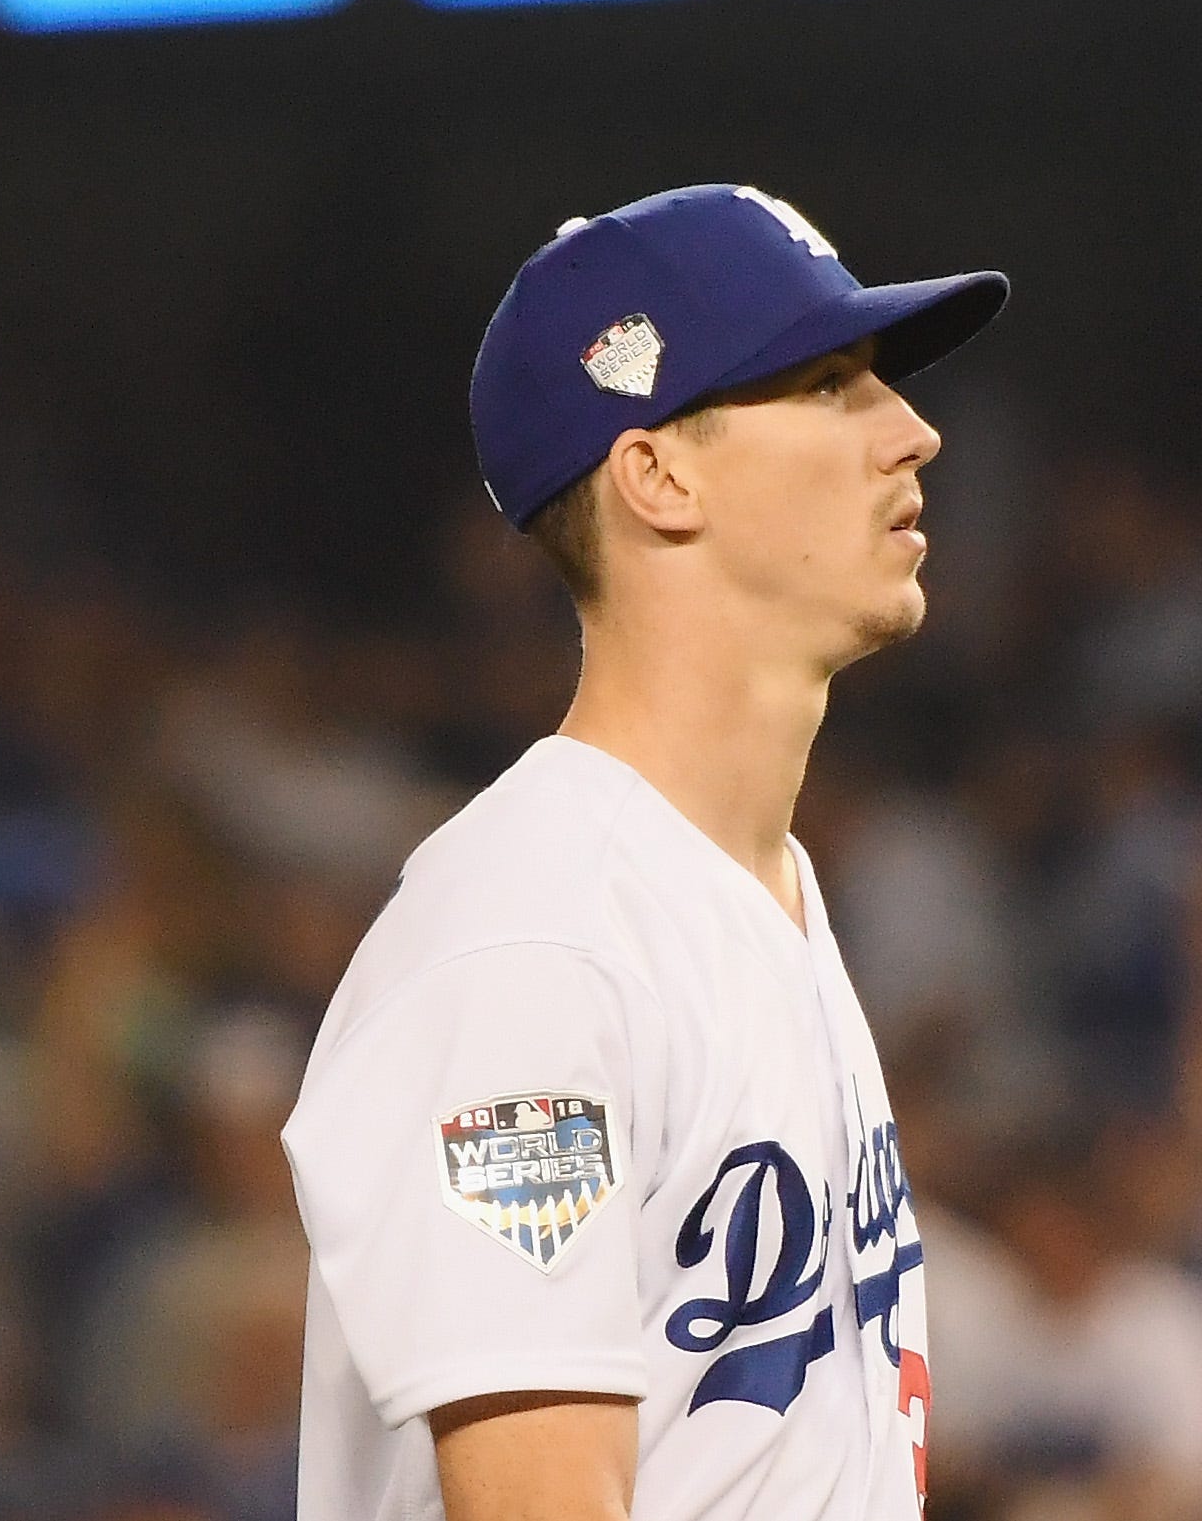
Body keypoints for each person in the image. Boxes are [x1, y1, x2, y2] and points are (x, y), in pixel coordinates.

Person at [279, 183, 1007, 1521]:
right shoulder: (531, 944)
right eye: (835, 383)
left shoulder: (759, 889)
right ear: (658, 470)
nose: (913, 430)